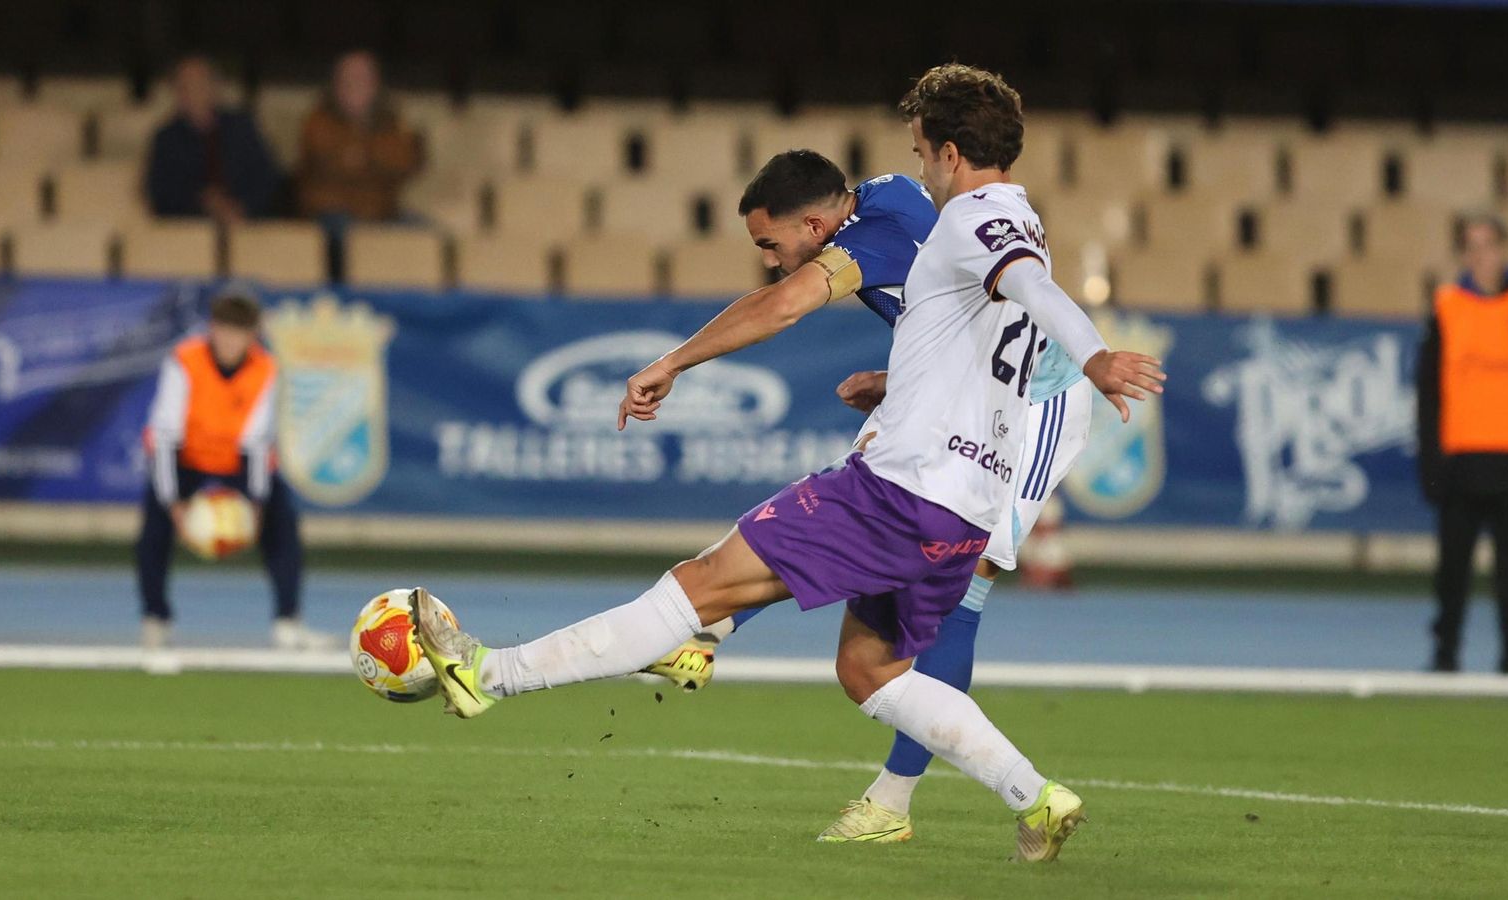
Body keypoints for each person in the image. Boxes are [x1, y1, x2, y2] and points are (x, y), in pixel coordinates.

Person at [404, 63, 1164, 862]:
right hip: (961, 490)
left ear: (945, 152)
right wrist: (904, 378)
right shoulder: (954, 208)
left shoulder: (969, 220)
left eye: (919, 150)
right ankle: (1036, 798)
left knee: (698, 585)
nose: (912, 166)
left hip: (921, 478)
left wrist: (1097, 356)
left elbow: (1005, 287)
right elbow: (981, 313)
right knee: (871, 670)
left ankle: (491, 673)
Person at [636, 148, 1094, 843]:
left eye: (770, 243)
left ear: (817, 225)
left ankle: (892, 803)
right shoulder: (891, 193)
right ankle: (708, 632)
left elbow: (785, 304)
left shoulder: (869, 237)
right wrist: (899, 378)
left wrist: (672, 361)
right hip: (956, 396)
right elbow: (962, 306)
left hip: (1036, 402)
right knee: (839, 505)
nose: (768, 259)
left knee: (962, 586)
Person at [138, 289, 334, 651]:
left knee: (282, 523)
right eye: (224, 330)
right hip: (187, 457)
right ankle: (155, 618)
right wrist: (174, 504)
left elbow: (258, 443)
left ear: (252, 336)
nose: (230, 340)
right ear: (212, 329)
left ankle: (287, 621)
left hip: (235, 459)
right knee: (154, 527)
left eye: (239, 332)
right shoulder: (184, 361)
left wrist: (256, 504)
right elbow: (165, 436)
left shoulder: (267, 369)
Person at [1417, 213, 1508, 675]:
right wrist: (1431, 464)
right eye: (1470, 246)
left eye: (1488, 244)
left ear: (1505, 248)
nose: (1479, 255)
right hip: (1460, 459)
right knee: (1452, 570)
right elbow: (1428, 394)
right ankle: (1445, 652)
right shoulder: (1448, 305)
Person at [295, 50, 424, 279]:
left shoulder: (393, 123)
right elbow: (328, 164)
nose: (356, 86)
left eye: (363, 79)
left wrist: (361, 155)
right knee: (346, 233)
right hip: (332, 215)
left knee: (427, 235)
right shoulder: (316, 122)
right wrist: (374, 161)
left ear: (376, 85)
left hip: (383, 214)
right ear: (336, 84)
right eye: (349, 79)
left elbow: (405, 161)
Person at [145, 56, 281, 225]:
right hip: (189, 230)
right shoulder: (166, 139)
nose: (192, 93)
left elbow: (267, 177)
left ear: (214, 87)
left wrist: (241, 208)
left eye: (199, 84)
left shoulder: (242, 127)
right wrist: (205, 203)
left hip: (246, 224)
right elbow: (162, 194)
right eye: (184, 87)